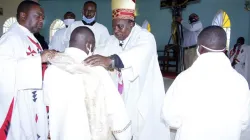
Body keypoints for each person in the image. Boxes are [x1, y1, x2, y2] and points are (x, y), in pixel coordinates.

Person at [84, 0, 170, 140]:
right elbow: (100, 51)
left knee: (144, 128)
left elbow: (139, 53)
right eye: (114, 27)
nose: (116, 31)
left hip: (142, 91)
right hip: (124, 92)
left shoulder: (145, 37)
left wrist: (110, 60)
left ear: (131, 23)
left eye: (120, 26)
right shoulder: (113, 39)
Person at [161, 26, 250, 140]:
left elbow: (170, 118)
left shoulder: (184, 79)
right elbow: (244, 122)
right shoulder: (240, 82)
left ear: (200, 49)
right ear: (224, 49)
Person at [43, 26, 132, 140]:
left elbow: (47, 101)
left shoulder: (52, 69)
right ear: (89, 45)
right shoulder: (97, 71)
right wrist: (125, 135)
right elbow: (115, 111)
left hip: (62, 133)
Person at [0, 1, 56, 139]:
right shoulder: (10, 38)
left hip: (34, 100)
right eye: (38, 16)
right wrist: (39, 59)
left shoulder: (31, 38)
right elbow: (4, 70)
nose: (42, 20)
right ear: (23, 16)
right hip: (20, 104)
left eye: (43, 17)